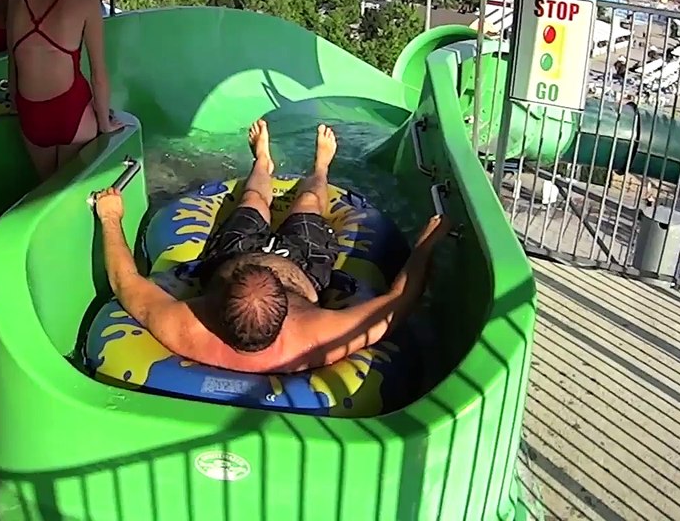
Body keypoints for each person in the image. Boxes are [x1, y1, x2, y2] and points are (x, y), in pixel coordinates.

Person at [92, 120, 448, 374]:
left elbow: (126, 283)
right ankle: (317, 168)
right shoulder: (314, 337)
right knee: (308, 202)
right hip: (304, 265)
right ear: (287, 313)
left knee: (252, 201)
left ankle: (266, 162)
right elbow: (397, 304)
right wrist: (424, 248)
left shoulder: (187, 328)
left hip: (232, 254)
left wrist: (110, 219)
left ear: (213, 305)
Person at [8, 0, 120, 179]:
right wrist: (105, 123)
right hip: (71, 110)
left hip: (30, 112)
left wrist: (16, 104)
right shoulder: (85, 1)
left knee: (44, 191)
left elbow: (12, 61)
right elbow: (98, 73)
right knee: (69, 192)